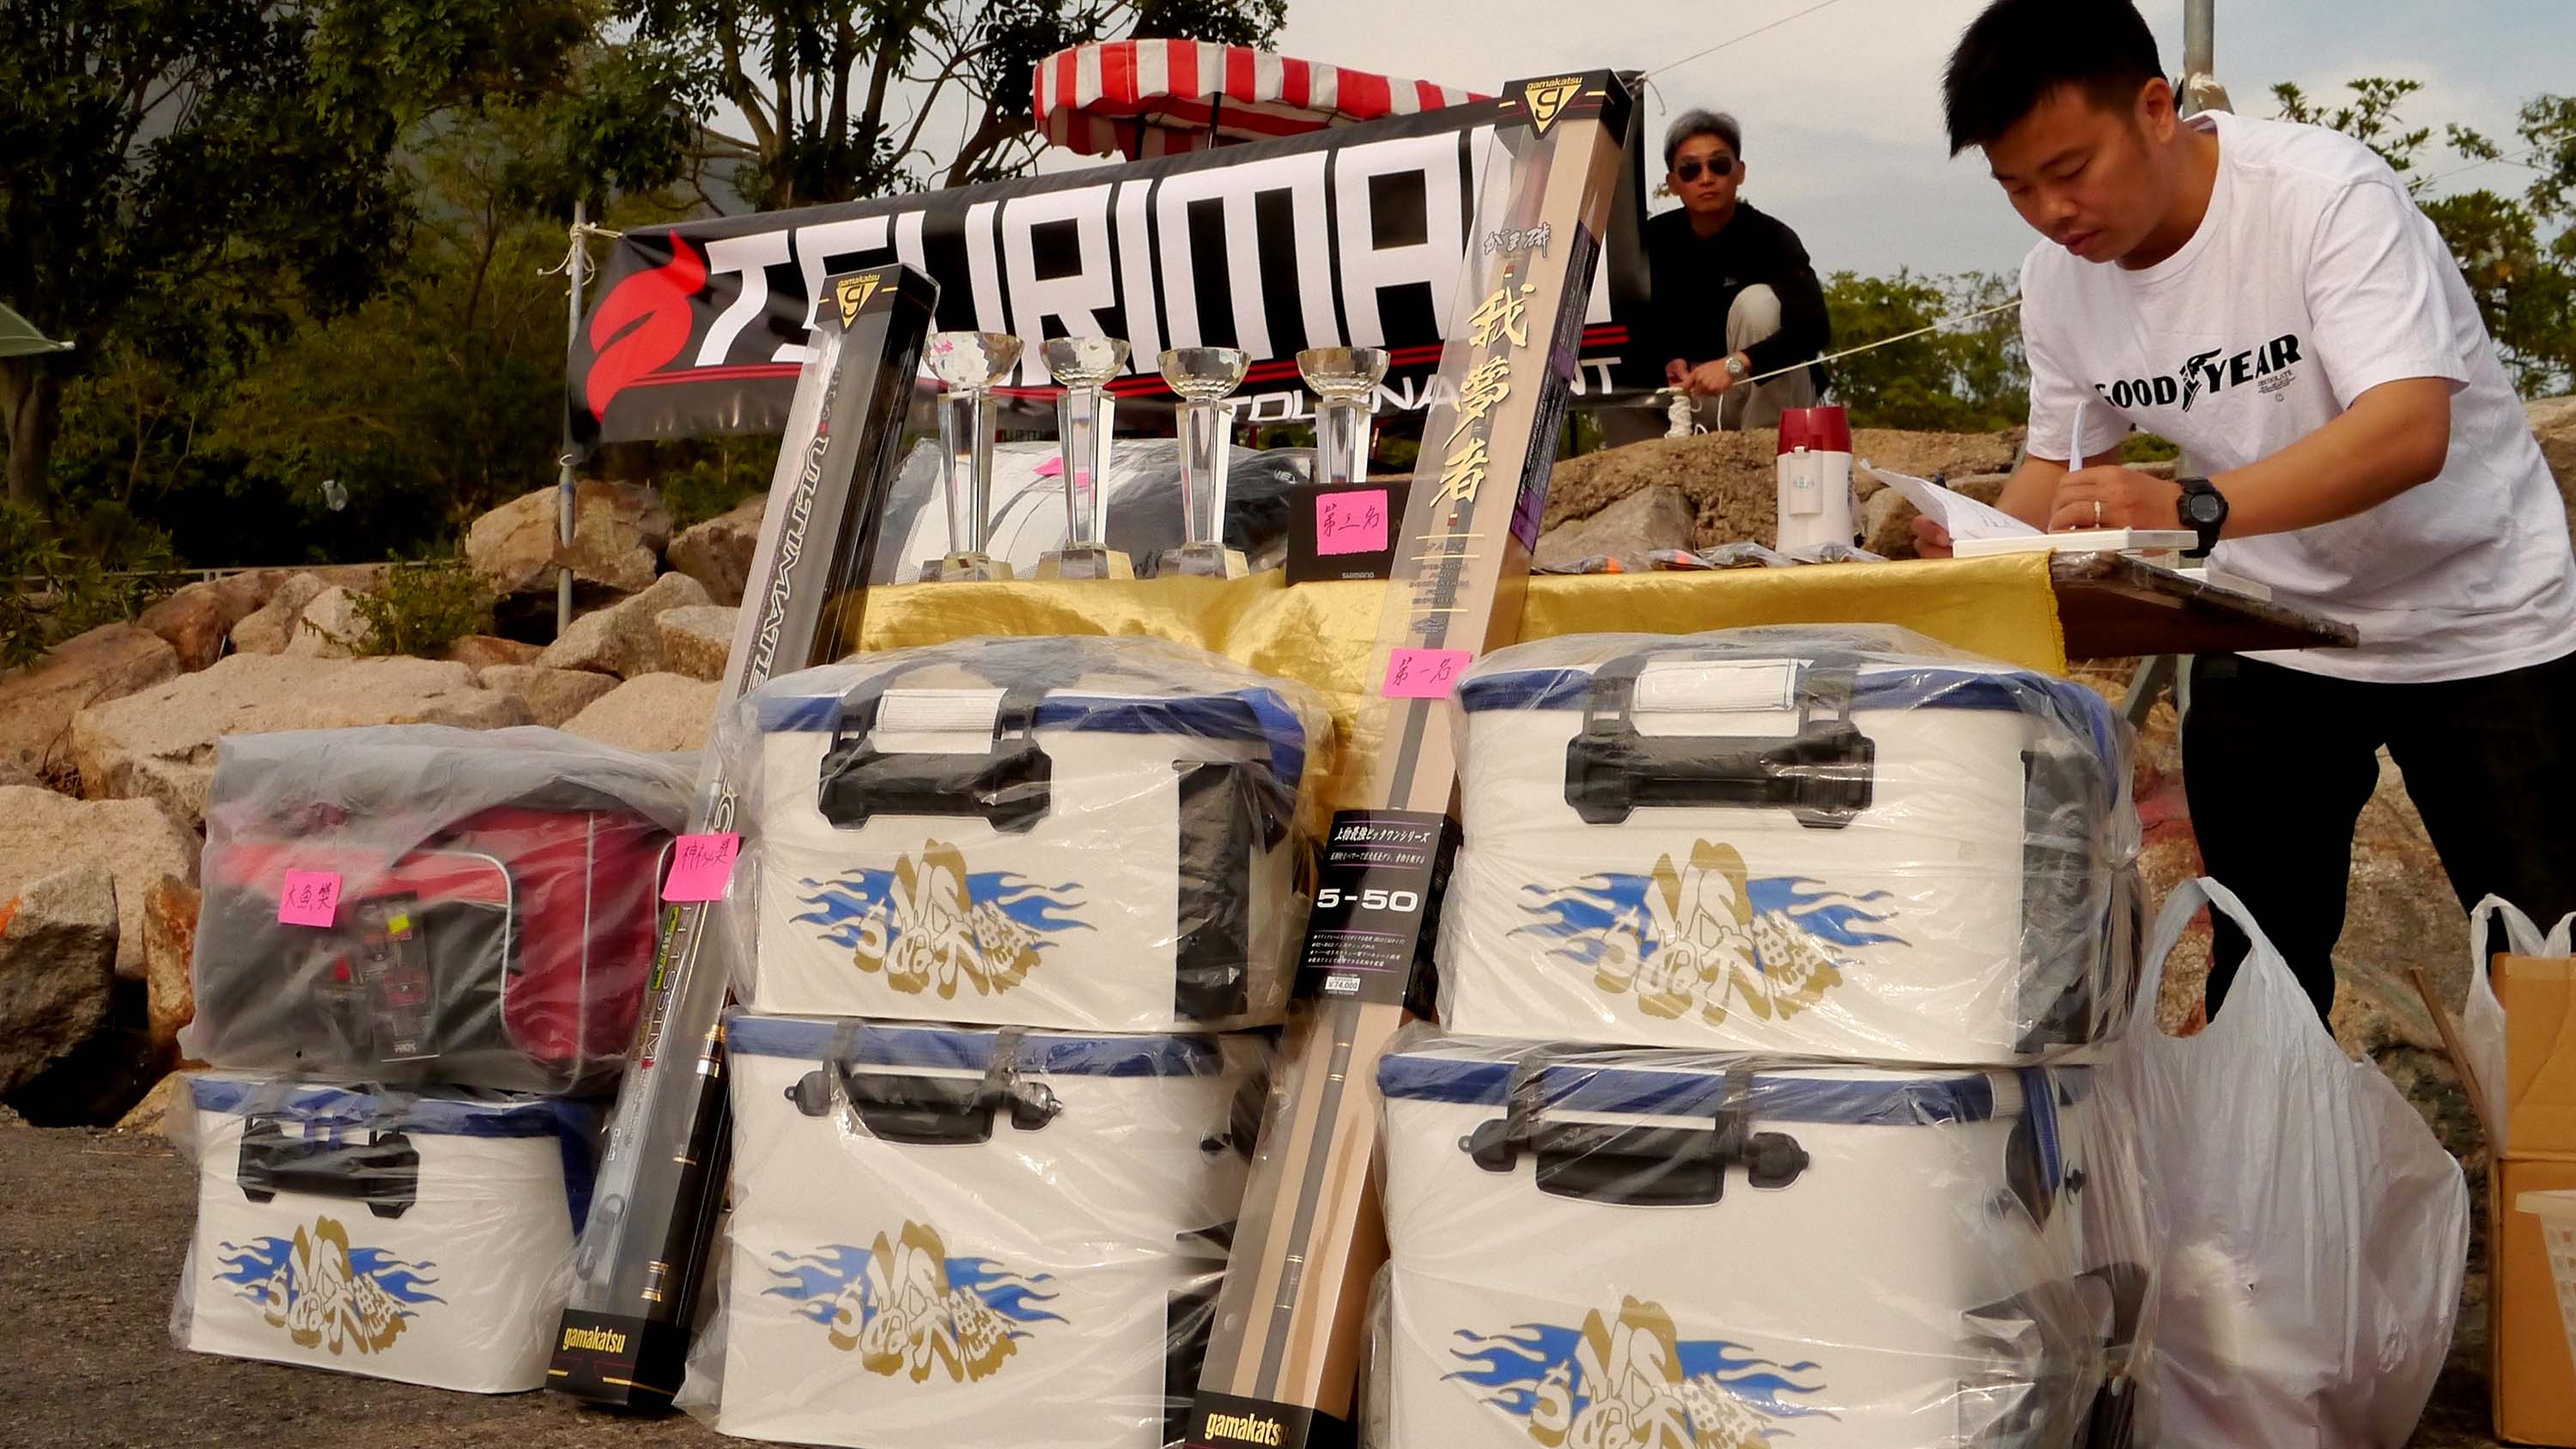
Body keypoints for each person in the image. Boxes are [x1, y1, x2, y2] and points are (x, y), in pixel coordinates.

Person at [1930, 0, 2576, 1025]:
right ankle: (2273, 1134)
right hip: (2271, 626)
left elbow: (2408, 428)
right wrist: (1975, 553)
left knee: (2549, 960)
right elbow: (2057, 466)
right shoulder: (2059, 284)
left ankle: (2551, 1131)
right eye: (2017, 187)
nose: (2052, 212)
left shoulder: (2322, 196)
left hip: (2478, 619)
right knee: (2259, 966)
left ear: (2155, 109)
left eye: (2070, 169)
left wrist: (2192, 504)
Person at [1625, 110, 1832, 438]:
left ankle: (1767, 445)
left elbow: (1814, 329)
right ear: (1673, 183)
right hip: (1695, 399)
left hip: (1772, 394)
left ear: (1740, 172)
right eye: (1690, 170)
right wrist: (1668, 359)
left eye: (1719, 165)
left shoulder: (1772, 238)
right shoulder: (1650, 242)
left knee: (1758, 302)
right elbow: (1632, 323)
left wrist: (1736, 363)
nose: (1706, 178)